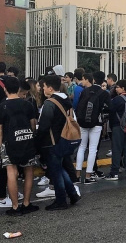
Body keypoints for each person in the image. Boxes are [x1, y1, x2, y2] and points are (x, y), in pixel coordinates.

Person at [37, 75, 80, 210]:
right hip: (64, 139)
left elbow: (44, 126)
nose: (43, 89)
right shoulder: (65, 99)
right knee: (60, 169)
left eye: (44, 86)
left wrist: (37, 142)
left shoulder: (50, 103)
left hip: (52, 142)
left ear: (50, 88)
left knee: (56, 172)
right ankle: (72, 193)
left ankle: (61, 201)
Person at [0, 77, 39, 216]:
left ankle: (15, 206)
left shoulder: (2, 106)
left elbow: (0, 129)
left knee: (11, 172)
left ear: (5, 89)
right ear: (18, 89)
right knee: (29, 171)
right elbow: (33, 125)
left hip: (9, 143)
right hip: (27, 140)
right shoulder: (27, 104)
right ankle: (27, 203)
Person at [76, 71, 110, 184]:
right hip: (96, 123)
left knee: (81, 147)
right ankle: (88, 176)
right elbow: (109, 108)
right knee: (92, 149)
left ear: (93, 79)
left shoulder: (84, 91)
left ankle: (77, 175)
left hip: (82, 123)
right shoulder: (104, 93)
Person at [105, 80, 126, 181]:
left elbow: (109, 110)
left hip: (118, 126)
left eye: (118, 87)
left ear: (123, 88)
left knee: (117, 149)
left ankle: (114, 173)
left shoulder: (117, 99)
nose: (116, 88)